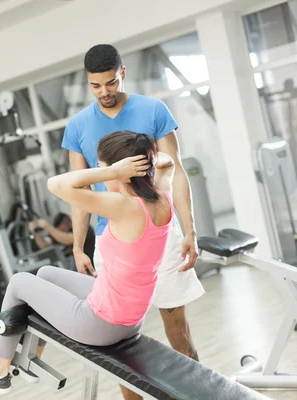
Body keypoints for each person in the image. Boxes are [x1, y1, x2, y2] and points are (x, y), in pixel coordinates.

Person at [0, 131, 175, 395]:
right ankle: (31, 357)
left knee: (20, 281)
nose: (104, 175)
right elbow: (168, 164)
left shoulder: (123, 205)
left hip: (101, 325)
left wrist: (111, 171)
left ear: (122, 171)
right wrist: (150, 161)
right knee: (45, 273)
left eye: (102, 168)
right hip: (130, 320)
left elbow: (55, 184)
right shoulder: (162, 198)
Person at [61, 44, 204, 397]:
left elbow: (177, 172)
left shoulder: (153, 109)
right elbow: (79, 193)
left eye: (110, 82)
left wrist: (190, 231)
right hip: (112, 242)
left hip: (159, 234)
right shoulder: (78, 126)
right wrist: (79, 247)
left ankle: (199, 392)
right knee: (121, 346)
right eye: (96, 86)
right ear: (88, 83)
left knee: (178, 330)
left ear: (122, 72)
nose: (104, 92)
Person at [28, 213, 95, 268]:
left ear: (68, 223)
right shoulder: (61, 234)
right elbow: (44, 245)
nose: (60, 231)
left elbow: (67, 239)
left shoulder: (84, 229)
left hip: (93, 265)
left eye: (61, 228)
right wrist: (35, 233)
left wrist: (47, 227)